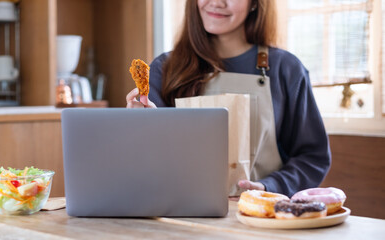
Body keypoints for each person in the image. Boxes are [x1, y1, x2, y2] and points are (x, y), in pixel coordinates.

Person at [126, 0, 331, 197]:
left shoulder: (286, 69)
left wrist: (268, 187)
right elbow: (146, 160)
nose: (217, 2)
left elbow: (313, 158)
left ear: (254, 3)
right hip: (181, 214)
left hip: (260, 217)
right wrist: (139, 126)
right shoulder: (165, 68)